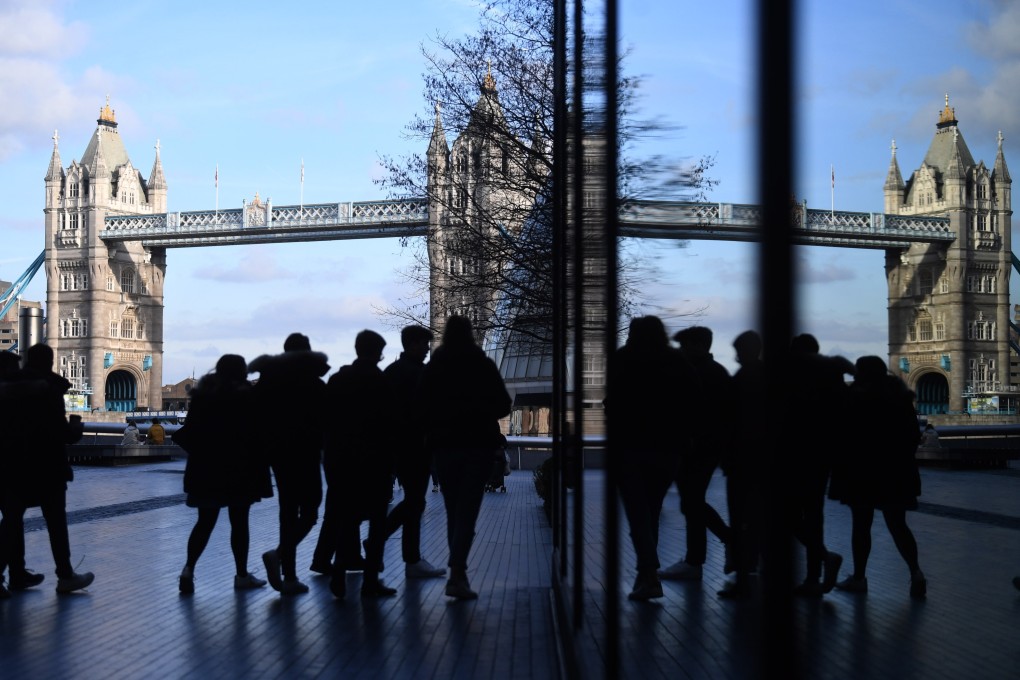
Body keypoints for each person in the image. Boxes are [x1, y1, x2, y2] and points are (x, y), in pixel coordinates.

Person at [606, 316, 701, 601]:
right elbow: (694, 401)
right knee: (652, 510)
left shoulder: (624, 359)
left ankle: (647, 573)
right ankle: (646, 574)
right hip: (668, 450)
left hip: (630, 447)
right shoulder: (677, 361)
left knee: (638, 514)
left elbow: (613, 402)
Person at [419, 315, 511, 600]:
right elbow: (503, 404)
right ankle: (458, 572)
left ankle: (456, 571)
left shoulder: (435, 366)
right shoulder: (482, 364)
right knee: (468, 510)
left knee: (453, 509)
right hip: (477, 445)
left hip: (445, 447)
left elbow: (422, 406)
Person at [829, 356, 926, 599]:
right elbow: (913, 436)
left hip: (863, 472)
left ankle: (860, 577)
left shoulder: (857, 397)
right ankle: (916, 571)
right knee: (898, 525)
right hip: (896, 472)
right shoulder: (901, 398)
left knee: (861, 526)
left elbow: (843, 431)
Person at [0, 343, 93, 594]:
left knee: (11, 523)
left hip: (12, 466)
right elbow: (58, 431)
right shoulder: (48, 389)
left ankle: (15, 575)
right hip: (46, 466)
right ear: (50, 362)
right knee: (55, 522)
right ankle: (65, 575)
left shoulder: (7, 389)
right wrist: (74, 428)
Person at [177, 355, 272, 594]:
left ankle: (188, 569)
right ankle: (241, 574)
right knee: (239, 524)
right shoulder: (246, 397)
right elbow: (257, 433)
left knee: (204, 523)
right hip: (239, 470)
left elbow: (190, 432)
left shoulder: (202, 397)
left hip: (206, 470)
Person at [249, 333, 329, 596]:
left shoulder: (268, 381)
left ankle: (291, 575)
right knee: (310, 511)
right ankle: (280, 556)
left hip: (278, 454)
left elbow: (256, 414)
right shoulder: (312, 380)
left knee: (287, 511)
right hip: (305, 452)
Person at [322, 330, 398, 599]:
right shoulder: (380, 381)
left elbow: (326, 420)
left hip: (340, 460)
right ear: (376, 352)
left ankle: (340, 571)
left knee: (347, 518)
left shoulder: (338, 379)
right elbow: (390, 424)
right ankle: (370, 581)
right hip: (373, 462)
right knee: (376, 520)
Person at [660, 326, 731, 582]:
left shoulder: (702, 374)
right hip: (704, 449)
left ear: (699, 345)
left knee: (691, 502)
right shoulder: (714, 373)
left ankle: (704, 555)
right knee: (692, 502)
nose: (683, 351)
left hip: (697, 449)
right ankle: (697, 558)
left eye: (686, 345)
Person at [784, 333, 852, 598]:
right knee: (813, 513)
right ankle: (816, 572)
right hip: (824, 454)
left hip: (796, 453)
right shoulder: (833, 374)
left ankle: (822, 562)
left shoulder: (797, 379)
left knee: (789, 514)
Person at [382, 325, 445, 579]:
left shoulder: (392, 372)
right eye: (424, 344)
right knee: (415, 501)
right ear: (413, 344)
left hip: (397, 446)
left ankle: (406, 554)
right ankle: (410, 557)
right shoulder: (420, 374)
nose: (427, 349)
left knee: (413, 501)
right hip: (417, 447)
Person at [717, 330, 766, 599]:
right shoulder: (767, 377)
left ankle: (744, 575)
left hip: (742, 461)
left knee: (740, 518)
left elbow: (729, 421)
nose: (736, 356)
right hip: (761, 460)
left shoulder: (742, 379)